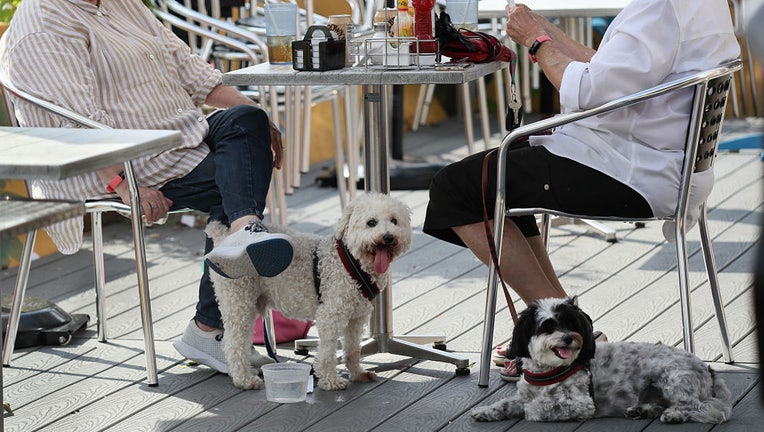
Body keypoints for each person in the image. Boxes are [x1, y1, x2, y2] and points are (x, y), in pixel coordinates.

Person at [423, 0, 740, 379]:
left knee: (455, 188)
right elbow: (609, 70)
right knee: (492, 180)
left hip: (631, 171)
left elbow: (590, 91)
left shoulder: (660, 6)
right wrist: (544, 29)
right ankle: (568, 323)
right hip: (664, 164)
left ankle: (563, 334)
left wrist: (537, 41)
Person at [0, 0, 291, 373]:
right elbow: (74, 128)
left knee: (246, 121)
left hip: (181, 134)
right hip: (126, 161)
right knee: (238, 180)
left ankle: (242, 232)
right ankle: (211, 323)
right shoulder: (43, 22)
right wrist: (125, 183)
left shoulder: (121, 3)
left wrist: (263, 120)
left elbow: (192, 72)